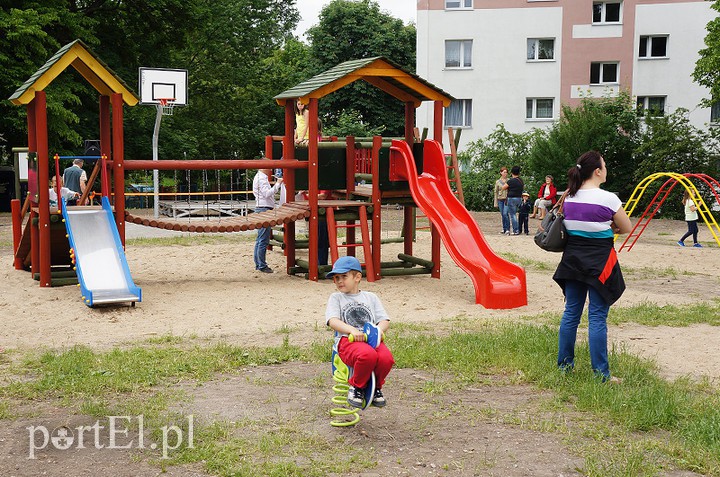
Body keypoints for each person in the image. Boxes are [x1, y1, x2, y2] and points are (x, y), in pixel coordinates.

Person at [553, 151, 632, 383]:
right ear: (597, 171)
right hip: (600, 263)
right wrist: (609, 227)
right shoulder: (608, 199)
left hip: (572, 261)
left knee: (571, 314)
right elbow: (626, 227)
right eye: (604, 166)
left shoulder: (568, 197)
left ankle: (565, 368)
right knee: (597, 317)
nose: (606, 169)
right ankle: (601, 375)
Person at [325, 256, 394, 408]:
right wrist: (351, 329)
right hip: (348, 341)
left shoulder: (371, 297)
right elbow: (332, 320)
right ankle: (356, 387)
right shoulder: (336, 298)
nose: (339, 281)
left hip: (371, 340)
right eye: (336, 278)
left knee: (386, 358)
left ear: (357, 277)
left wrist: (378, 331)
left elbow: (384, 320)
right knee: (366, 355)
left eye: (344, 276)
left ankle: (376, 387)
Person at [252, 168, 283, 273]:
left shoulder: (260, 177)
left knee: (260, 238)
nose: (270, 169)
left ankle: (259, 264)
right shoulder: (261, 178)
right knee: (263, 240)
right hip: (264, 209)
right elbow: (266, 194)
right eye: (269, 166)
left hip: (262, 207)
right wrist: (278, 184)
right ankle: (261, 265)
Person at [502, 166, 524, 235]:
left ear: (512, 173)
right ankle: (517, 229)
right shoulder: (521, 181)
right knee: (517, 214)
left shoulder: (511, 181)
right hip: (519, 198)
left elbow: (503, 187)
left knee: (513, 215)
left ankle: (515, 230)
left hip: (511, 198)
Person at [493, 167, 509, 234]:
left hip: (506, 199)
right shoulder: (497, 182)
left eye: (506, 172)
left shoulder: (509, 181)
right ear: (501, 172)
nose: (505, 173)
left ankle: (508, 228)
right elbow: (495, 192)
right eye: (504, 172)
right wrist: (495, 202)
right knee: (502, 214)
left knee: (505, 213)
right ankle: (504, 228)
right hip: (500, 199)